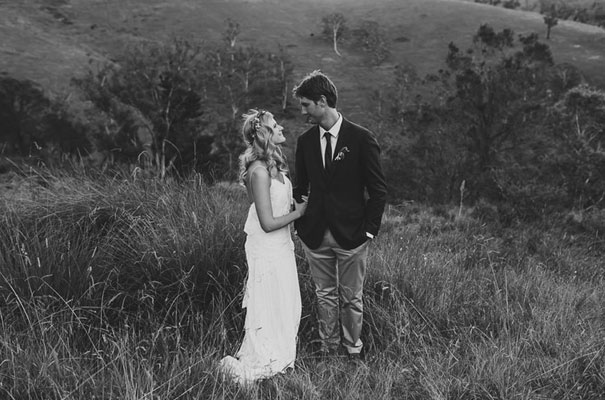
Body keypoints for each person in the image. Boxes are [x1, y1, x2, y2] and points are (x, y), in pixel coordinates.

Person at [292, 70, 387, 360]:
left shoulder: (361, 138)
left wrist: (369, 231)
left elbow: (378, 190)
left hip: (353, 235)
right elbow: (300, 188)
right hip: (315, 235)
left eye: (306, 104)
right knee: (324, 296)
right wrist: (300, 225)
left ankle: (353, 349)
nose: (303, 111)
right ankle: (328, 349)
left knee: (351, 297)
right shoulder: (305, 141)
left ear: (322, 101)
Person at [219, 109, 308, 384]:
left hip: (283, 245)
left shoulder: (275, 166)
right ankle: (267, 359)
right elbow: (268, 223)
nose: (281, 128)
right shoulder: (258, 171)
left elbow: (280, 205)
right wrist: (300, 213)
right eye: (275, 125)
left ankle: (282, 356)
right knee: (270, 302)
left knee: (288, 302)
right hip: (267, 246)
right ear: (262, 133)